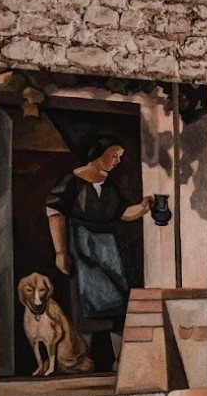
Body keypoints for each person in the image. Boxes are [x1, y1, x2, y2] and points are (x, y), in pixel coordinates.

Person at [45, 137, 151, 320]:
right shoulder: (72, 180)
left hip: (110, 252)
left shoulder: (110, 185)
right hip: (82, 247)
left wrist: (142, 208)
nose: (117, 161)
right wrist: (60, 252)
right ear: (98, 153)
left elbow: (122, 212)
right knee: (86, 305)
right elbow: (55, 212)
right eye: (114, 155)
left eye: (119, 157)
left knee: (116, 306)